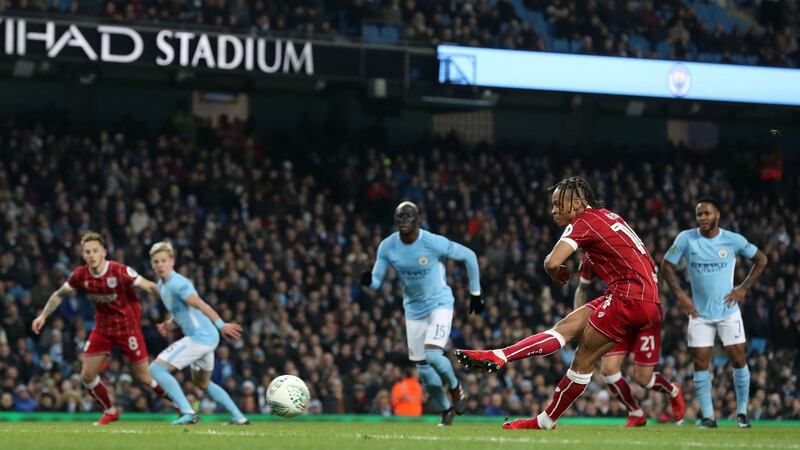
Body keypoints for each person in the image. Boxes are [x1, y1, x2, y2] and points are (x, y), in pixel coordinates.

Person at [457, 176, 663, 430]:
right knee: (565, 327)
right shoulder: (607, 217)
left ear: (576, 202)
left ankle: (545, 420)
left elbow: (552, 261)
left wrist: (553, 270)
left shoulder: (584, 221)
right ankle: (501, 355)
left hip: (629, 295)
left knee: (583, 359)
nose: (553, 210)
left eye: (557, 204)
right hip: (643, 295)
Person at [361, 201, 483, 426]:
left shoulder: (432, 242)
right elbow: (376, 281)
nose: (404, 220)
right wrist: (369, 281)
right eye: (400, 217)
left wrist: (475, 293)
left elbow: (469, 255)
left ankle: (456, 390)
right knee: (426, 375)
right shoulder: (388, 246)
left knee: (433, 355)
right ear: (396, 221)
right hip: (414, 311)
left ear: (418, 219)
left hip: (440, 304)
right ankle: (446, 410)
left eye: (409, 216)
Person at [31, 232, 168, 425]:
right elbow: (59, 294)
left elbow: (149, 286)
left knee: (144, 378)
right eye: (87, 252)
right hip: (102, 329)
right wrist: (43, 315)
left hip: (128, 329)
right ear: (83, 254)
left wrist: (170, 300)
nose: (91, 255)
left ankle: (178, 403)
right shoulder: (80, 274)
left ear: (104, 252)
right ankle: (110, 411)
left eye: (95, 251)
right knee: (87, 375)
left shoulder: (120, 271)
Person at [661, 196, 768, 429]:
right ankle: (709, 417)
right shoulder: (686, 239)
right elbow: (666, 266)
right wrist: (681, 296)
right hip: (699, 314)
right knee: (700, 363)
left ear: (717, 215)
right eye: (699, 214)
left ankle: (742, 413)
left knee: (738, 358)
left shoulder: (732, 240)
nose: (702, 218)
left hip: (729, 311)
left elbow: (761, 260)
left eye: (707, 213)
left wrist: (743, 288)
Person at [574, 256, 685, 427]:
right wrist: (578, 321)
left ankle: (673, 391)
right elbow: (582, 289)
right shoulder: (590, 257)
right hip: (619, 312)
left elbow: (658, 282)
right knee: (609, 370)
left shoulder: (631, 250)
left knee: (644, 379)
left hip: (646, 314)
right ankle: (635, 412)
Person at [146, 241, 249, 425]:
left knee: (156, 369)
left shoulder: (178, 283)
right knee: (203, 384)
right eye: (156, 261)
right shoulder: (162, 286)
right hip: (204, 338)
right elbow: (181, 312)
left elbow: (200, 304)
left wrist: (221, 324)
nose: (160, 265)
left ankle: (188, 412)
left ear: (172, 261)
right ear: (152, 264)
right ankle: (238, 417)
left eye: (163, 260)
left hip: (200, 337)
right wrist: (169, 325)